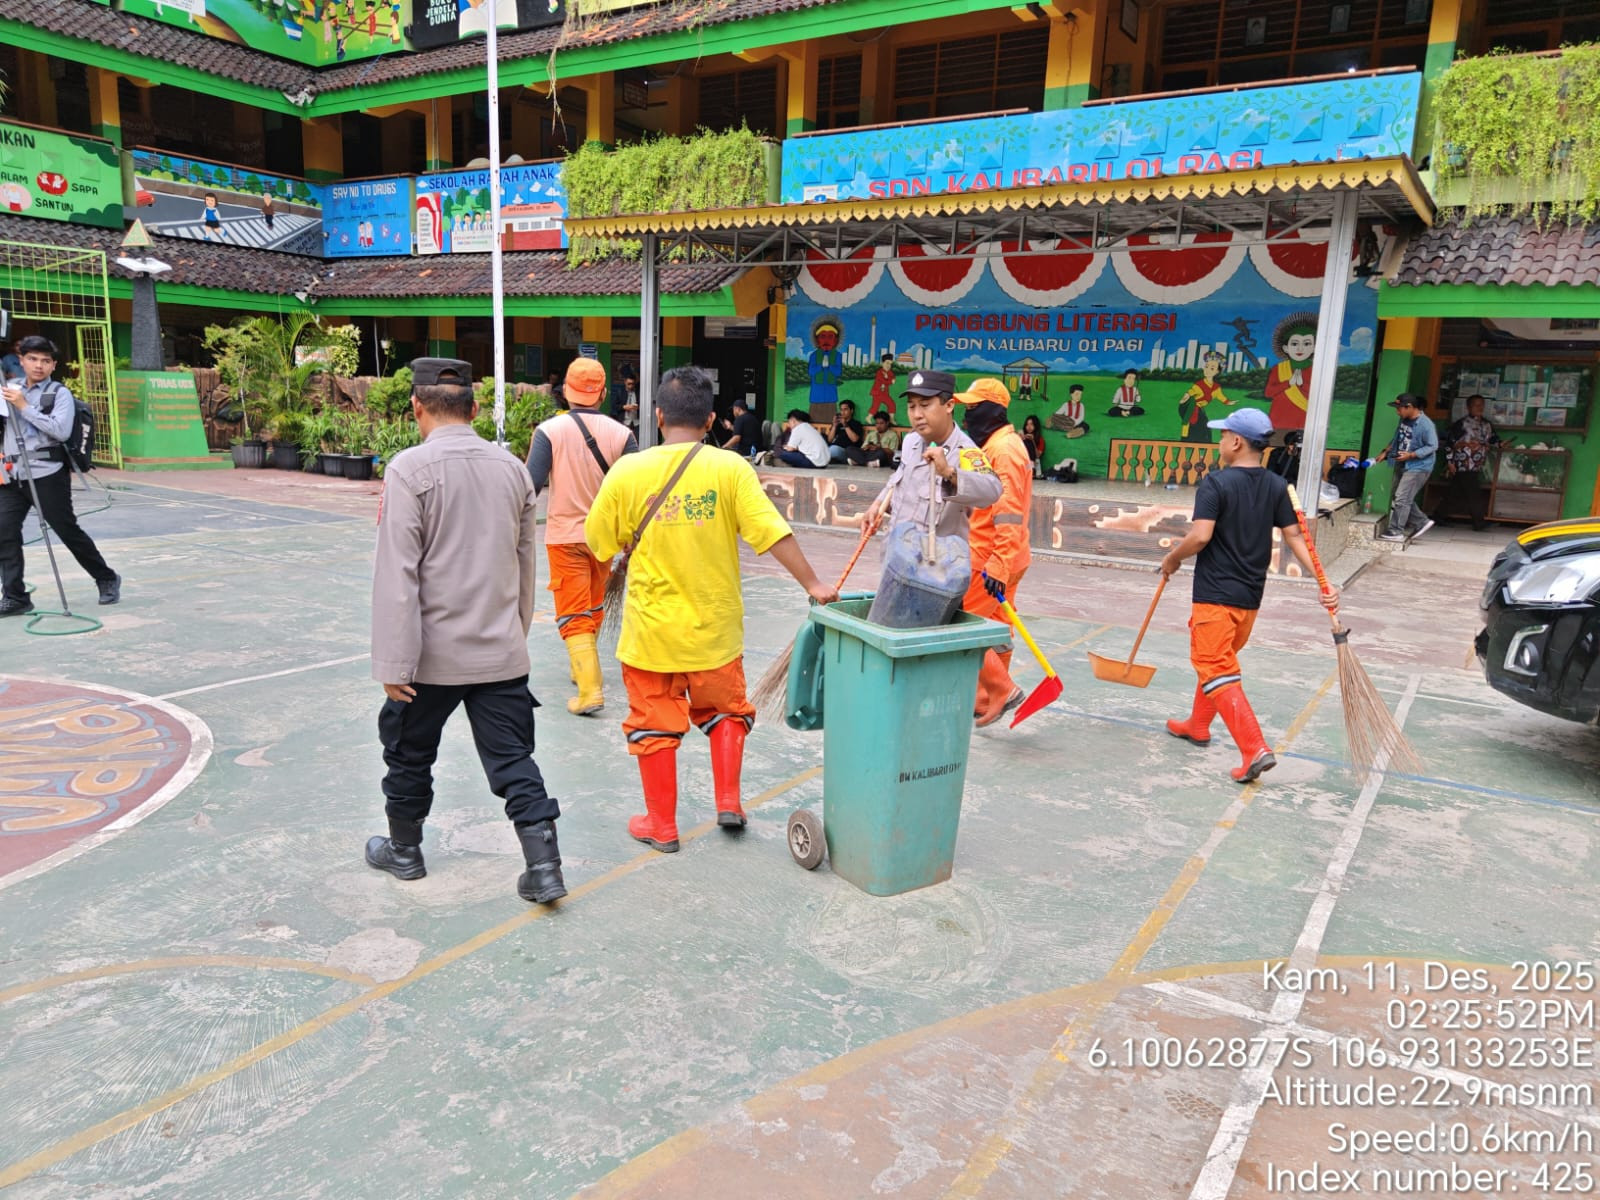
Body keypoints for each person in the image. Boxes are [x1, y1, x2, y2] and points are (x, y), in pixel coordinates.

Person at [584, 366, 838, 853]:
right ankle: (729, 802)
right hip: (715, 632)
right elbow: (771, 533)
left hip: (650, 634)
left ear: (657, 416)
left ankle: (661, 825)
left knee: (654, 726)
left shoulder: (629, 471)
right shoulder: (730, 468)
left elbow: (598, 544)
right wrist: (814, 583)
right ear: (710, 420)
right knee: (725, 712)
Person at [365, 358, 567, 905]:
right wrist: (512, 639)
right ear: (475, 410)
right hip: (499, 652)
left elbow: (398, 575)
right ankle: (544, 866)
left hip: (429, 658)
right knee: (514, 761)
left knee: (409, 754)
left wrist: (393, 665)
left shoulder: (408, 469)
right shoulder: (513, 472)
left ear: (416, 407)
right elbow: (524, 568)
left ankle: (405, 851)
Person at [1158, 408, 1338, 784]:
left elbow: (1201, 535)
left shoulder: (1216, 484)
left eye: (1223, 435)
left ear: (1236, 442)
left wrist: (1172, 558)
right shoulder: (1275, 485)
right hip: (1249, 598)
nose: (1220, 441)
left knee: (1215, 665)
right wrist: (1322, 581)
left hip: (1215, 595)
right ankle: (1197, 725)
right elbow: (1295, 537)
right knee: (1216, 662)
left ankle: (1253, 747)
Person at [526, 357, 637, 715]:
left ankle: (590, 690)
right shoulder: (623, 435)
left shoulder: (549, 432)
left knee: (573, 611)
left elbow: (530, 485)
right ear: (603, 393)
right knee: (592, 604)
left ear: (565, 393)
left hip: (565, 536)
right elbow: (633, 490)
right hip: (605, 538)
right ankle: (581, 666)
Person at [0, 336, 120, 617]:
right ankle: (15, 596)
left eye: (45, 361)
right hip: (12, 474)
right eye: (32, 359)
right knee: (4, 532)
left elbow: (59, 431)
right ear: (22, 361)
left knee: (66, 530)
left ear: (53, 365)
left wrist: (23, 407)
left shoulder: (58, 394)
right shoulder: (9, 389)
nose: (38, 365)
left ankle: (106, 577)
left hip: (46, 473)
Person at [863, 368, 1002, 599]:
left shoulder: (965, 452)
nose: (917, 414)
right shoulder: (911, 442)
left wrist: (949, 472)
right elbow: (897, 481)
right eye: (911, 406)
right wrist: (877, 505)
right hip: (895, 560)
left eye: (925, 405)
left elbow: (992, 490)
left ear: (949, 406)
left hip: (933, 578)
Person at [955, 378, 1033, 727]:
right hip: (1007, 555)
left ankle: (1002, 688)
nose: (968, 415)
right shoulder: (1001, 446)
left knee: (960, 625)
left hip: (989, 557)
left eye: (974, 408)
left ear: (996, 410)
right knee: (998, 626)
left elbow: (1009, 512)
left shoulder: (1004, 451)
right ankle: (986, 695)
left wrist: (997, 564)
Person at [1375, 393, 1437, 542]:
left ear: (1409, 407)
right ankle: (1421, 522)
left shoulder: (1425, 424)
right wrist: (1386, 451)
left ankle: (1396, 531)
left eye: (1399, 408)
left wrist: (1411, 455)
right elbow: (1397, 437)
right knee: (1399, 495)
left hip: (1419, 466)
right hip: (1402, 463)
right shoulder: (1404, 420)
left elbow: (1433, 445)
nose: (1397, 412)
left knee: (1402, 497)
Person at [1434, 393, 1498, 530]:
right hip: (1463, 464)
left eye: (1482, 405)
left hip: (1477, 464)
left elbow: (1493, 439)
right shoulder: (1461, 424)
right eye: (1476, 405)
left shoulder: (1487, 424)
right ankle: (1479, 523)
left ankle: (1438, 516)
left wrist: (1501, 443)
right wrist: (1450, 463)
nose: (1479, 407)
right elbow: (1449, 444)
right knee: (1474, 493)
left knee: (1455, 492)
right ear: (1469, 407)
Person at [1177, 351, 1234, 442]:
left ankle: (1203, 443)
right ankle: (1186, 441)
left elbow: (1221, 396)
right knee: (1191, 423)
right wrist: (1183, 399)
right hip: (1189, 407)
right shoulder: (1199, 384)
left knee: (1204, 424)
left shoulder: (1216, 387)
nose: (1207, 370)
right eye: (1206, 367)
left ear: (1217, 372)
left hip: (1199, 409)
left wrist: (1228, 402)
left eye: (1212, 368)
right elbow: (1189, 393)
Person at [828, 398, 867, 465]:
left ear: (851, 411)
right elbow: (830, 440)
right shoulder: (838, 424)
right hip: (835, 448)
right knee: (830, 449)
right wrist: (834, 426)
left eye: (845, 409)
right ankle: (844, 461)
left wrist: (845, 425)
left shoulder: (856, 424)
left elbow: (855, 439)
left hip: (848, 452)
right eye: (841, 410)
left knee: (833, 450)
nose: (842, 412)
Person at [869, 353, 896, 420]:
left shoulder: (889, 372)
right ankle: (868, 418)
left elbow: (893, 377)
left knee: (891, 405)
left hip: (884, 393)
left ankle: (891, 419)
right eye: (887, 363)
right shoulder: (879, 372)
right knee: (876, 407)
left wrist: (890, 379)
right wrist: (890, 381)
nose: (888, 365)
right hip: (877, 393)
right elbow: (883, 381)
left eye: (890, 364)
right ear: (882, 363)